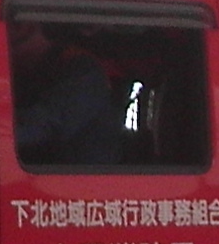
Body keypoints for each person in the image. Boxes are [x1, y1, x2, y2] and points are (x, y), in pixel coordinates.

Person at [10, 16, 131, 166]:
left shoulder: (83, 72)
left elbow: (45, 125)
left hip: (84, 177)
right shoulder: (32, 72)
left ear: (22, 27)